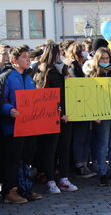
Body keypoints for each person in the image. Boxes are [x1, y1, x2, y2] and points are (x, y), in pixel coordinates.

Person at [0, 45, 42, 203]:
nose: (28, 59)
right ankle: (10, 191)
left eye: (29, 56)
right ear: (15, 60)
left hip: (29, 126)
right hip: (12, 126)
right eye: (24, 57)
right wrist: (9, 110)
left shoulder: (29, 78)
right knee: (12, 159)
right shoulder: (6, 76)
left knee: (26, 158)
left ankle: (25, 189)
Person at [33, 43, 78, 194]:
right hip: (52, 118)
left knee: (64, 148)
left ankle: (64, 178)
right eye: (58, 53)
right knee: (50, 150)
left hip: (67, 116)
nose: (61, 56)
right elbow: (45, 99)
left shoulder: (64, 70)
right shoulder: (44, 72)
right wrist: (59, 114)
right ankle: (50, 179)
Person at [89, 47, 111, 186]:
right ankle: (103, 173)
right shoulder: (93, 75)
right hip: (103, 113)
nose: (105, 61)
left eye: (107, 58)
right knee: (103, 143)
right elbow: (91, 97)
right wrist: (95, 114)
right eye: (102, 59)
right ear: (98, 60)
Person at [64, 42, 96, 178]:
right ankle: (79, 164)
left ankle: (84, 162)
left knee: (85, 137)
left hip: (84, 104)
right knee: (80, 137)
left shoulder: (81, 65)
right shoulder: (72, 65)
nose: (84, 53)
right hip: (77, 106)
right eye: (81, 50)